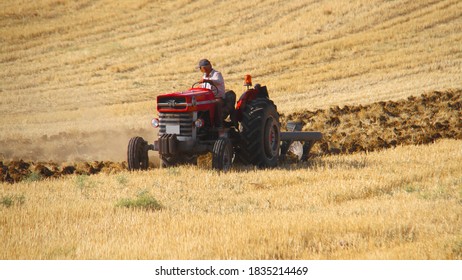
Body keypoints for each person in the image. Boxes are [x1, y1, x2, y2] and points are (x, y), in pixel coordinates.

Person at [197, 59, 226, 133]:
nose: (201, 70)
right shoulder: (204, 76)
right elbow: (203, 87)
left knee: (217, 103)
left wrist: (207, 81)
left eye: (201, 68)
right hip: (207, 98)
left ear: (204, 68)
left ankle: (218, 124)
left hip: (217, 97)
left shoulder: (217, 74)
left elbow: (217, 81)